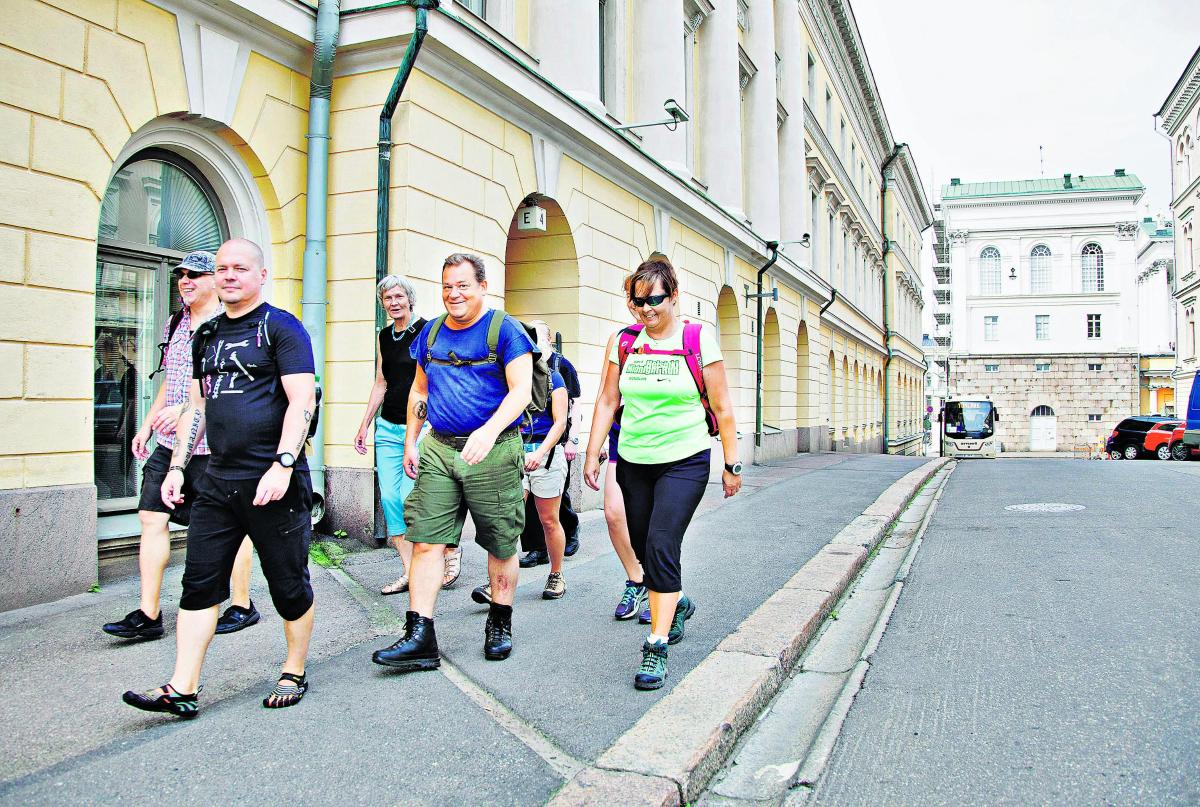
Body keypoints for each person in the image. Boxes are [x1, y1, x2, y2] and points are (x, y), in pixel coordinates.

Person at [122, 238, 318, 718]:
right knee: (198, 582)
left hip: (274, 482)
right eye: (222, 268)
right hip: (216, 481)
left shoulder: (281, 329)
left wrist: (283, 463)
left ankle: (294, 668)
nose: (229, 275)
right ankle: (181, 686)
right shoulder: (205, 336)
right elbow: (197, 408)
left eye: (240, 268)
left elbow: (302, 401)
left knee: (288, 584)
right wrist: (176, 467)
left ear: (261, 275)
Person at [585, 256, 742, 691]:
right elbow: (606, 400)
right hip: (634, 460)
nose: (646, 309)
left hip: (685, 459)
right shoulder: (623, 342)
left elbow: (723, 407)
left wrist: (730, 463)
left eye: (655, 299)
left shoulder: (698, 339)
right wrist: (592, 450)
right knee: (642, 545)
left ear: (674, 295)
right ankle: (676, 601)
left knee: (660, 542)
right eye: (638, 302)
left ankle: (656, 644)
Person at [371, 253, 534, 671]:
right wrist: (410, 440)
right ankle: (419, 636)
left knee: (500, 542)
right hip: (440, 449)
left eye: (462, 285)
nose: (454, 294)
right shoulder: (430, 334)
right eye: (447, 286)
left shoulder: (506, 331)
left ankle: (500, 621)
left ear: (482, 287)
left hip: (493, 452)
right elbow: (419, 391)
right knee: (426, 540)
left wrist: (490, 430)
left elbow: (520, 391)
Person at [103, 251, 258, 642]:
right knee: (151, 519)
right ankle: (148, 613)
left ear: (214, 282)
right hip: (170, 444)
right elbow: (169, 383)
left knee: (232, 528)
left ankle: (241, 604)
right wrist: (146, 426)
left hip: (213, 448)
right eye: (181, 275)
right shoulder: (176, 323)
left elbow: (223, 391)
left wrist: (186, 409)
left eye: (194, 275)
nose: (185, 281)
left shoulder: (225, 326)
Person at [354, 276, 461, 595]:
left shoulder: (428, 330)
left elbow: (438, 380)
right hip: (387, 428)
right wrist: (364, 425)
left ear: (410, 299)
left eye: (399, 296)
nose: (393, 302)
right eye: (387, 298)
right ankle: (411, 573)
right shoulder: (384, 336)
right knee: (389, 500)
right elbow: (380, 382)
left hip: (421, 427)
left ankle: (447, 550)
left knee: (409, 498)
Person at [518, 322, 581, 567]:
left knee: (552, 507)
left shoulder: (560, 368)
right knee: (515, 515)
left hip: (551, 447)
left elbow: (573, 408)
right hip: (521, 448)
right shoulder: (515, 372)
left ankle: (567, 538)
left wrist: (573, 440)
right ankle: (536, 548)